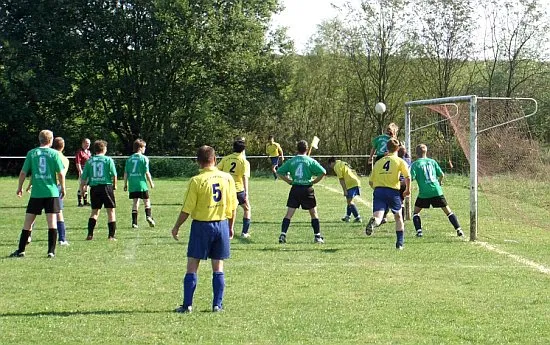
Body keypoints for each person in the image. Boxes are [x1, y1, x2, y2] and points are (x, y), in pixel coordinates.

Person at [171, 146, 237, 313]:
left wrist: (177, 226)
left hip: (201, 225)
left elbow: (187, 208)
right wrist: (230, 227)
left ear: (198, 162)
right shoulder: (227, 178)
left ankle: (187, 305)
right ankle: (217, 305)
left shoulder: (196, 181)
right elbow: (233, 206)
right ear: (215, 159)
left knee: (192, 265)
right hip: (221, 224)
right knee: (218, 266)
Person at [9, 130, 65, 258]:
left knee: (28, 222)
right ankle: (51, 251)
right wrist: (63, 188)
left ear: (39, 140)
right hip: (51, 192)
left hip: (36, 193)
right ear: (51, 141)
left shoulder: (32, 153)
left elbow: (23, 172)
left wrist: (20, 187)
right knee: (52, 222)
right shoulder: (55, 153)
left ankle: (21, 250)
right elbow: (61, 173)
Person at [276, 140, 327, 244]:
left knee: (289, 214)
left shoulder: (292, 161)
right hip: (307, 189)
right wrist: (314, 181)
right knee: (313, 213)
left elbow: (279, 172)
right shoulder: (310, 161)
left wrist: (289, 181)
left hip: (295, 189)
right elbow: (323, 172)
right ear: (307, 149)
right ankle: (317, 237)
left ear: (297, 149)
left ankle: (283, 234)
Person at [409, 144, 464, 238]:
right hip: (436, 190)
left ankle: (419, 232)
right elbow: (441, 174)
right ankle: (459, 229)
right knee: (448, 211)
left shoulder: (415, 164)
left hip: (424, 193)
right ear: (426, 151)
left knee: (416, 213)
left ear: (415, 153)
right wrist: (439, 182)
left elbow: (411, 178)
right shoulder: (432, 161)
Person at [365, 138, 410, 250]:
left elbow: (371, 182)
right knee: (398, 216)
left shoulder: (379, 162)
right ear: (398, 148)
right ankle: (399, 244)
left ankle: (374, 222)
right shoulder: (400, 161)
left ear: (387, 148)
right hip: (392, 191)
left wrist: (378, 189)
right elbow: (408, 177)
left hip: (379, 191)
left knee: (378, 217)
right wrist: (407, 190)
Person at [80, 140, 118, 241]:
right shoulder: (108, 160)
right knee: (111, 211)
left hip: (94, 188)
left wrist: (82, 189)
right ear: (104, 149)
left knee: (94, 212)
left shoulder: (90, 161)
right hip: (106, 187)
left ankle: (90, 234)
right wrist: (115, 185)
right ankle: (111, 236)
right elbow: (114, 174)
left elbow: (83, 178)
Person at [217, 140, 251, 238]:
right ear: (243, 149)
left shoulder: (226, 159)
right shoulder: (244, 161)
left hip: (225, 188)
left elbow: (217, 169)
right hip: (238, 189)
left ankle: (224, 230)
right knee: (247, 208)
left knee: (226, 209)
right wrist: (246, 192)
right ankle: (244, 232)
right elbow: (245, 177)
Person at [368, 123, 399, 224]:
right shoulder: (392, 139)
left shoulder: (378, 138)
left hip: (379, 159)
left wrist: (370, 157)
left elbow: (374, 148)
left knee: (379, 183)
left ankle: (381, 214)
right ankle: (388, 214)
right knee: (390, 185)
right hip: (388, 157)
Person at [123, 139, 155, 229]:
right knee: (147, 201)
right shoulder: (144, 158)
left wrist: (125, 184)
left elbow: (126, 172)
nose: (145, 149)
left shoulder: (129, 159)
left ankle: (134, 223)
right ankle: (148, 216)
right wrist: (151, 183)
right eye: (144, 147)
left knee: (135, 202)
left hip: (132, 184)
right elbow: (146, 172)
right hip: (141, 184)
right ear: (140, 148)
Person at [328, 157, 362, 223]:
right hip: (355, 181)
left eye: (330, 165)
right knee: (349, 200)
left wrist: (344, 190)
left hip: (351, 184)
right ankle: (347, 216)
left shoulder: (336, 166)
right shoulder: (342, 163)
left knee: (350, 202)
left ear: (332, 163)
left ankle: (358, 217)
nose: (331, 167)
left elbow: (341, 179)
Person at [75, 138, 91, 207]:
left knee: (86, 186)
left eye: (89, 143)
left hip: (88, 171)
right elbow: (77, 163)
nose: (88, 144)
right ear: (83, 143)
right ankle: (79, 202)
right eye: (86, 143)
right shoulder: (80, 152)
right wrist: (80, 171)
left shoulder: (89, 152)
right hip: (83, 171)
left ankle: (85, 201)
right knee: (81, 186)